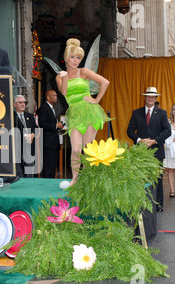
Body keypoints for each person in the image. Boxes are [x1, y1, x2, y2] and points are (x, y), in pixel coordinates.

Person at [55, 38, 110, 187]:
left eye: (78, 58)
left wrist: (96, 100)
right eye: (72, 57)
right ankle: (75, 179)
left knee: (88, 148)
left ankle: (87, 179)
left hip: (89, 111)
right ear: (66, 57)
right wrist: (65, 77)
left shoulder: (83, 71)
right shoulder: (59, 76)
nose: (75, 60)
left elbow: (105, 82)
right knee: (76, 148)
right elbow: (64, 92)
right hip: (74, 112)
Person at [127, 87, 171, 212]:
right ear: (145, 98)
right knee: (141, 178)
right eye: (148, 96)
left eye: (153, 97)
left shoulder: (162, 113)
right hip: (140, 152)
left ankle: (159, 204)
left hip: (156, 151)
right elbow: (129, 131)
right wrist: (139, 140)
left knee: (157, 178)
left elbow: (168, 131)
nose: (150, 98)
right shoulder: (136, 113)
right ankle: (141, 202)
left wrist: (155, 140)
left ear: (156, 98)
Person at [37, 90, 62, 178]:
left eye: (56, 95)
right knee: (48, 166)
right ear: (48, 97)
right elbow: (42, 123)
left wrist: (58, 126)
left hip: (53, 143)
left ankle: (51, 181)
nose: (56, 97)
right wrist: (55, 125)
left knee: (52, 166)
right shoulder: (44, 108)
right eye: (54, 96)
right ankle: (46, 184)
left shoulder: (51, 108)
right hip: (48, 143)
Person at [13, 95, 38, 177]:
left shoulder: (30, 116)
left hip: (29, 149)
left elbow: (35, 128)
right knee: (20, 174)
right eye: (20, 102)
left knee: (30, 173)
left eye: (24, 102)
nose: (23, 104)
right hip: (18, 150)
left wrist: (32, 135)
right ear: (14, 104)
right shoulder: (12, 117)